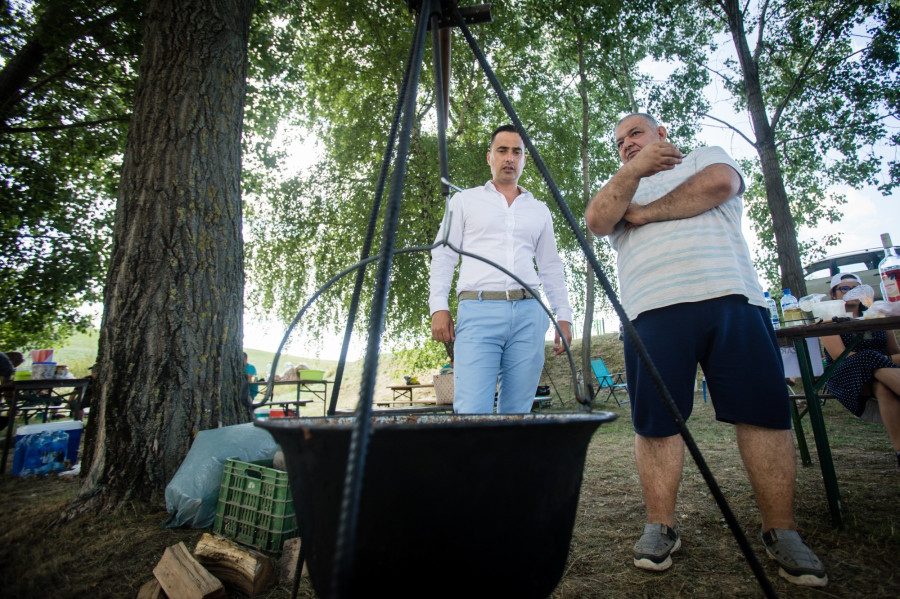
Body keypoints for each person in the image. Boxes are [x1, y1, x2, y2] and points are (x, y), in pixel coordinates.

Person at [584, 113, 827, 586]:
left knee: (762, 413)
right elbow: (597, 220)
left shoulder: (702, 157)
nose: (626, 144)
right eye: (619, 142)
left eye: (635, 133)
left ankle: (782, 530)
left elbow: (719, 184)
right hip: (651, 309)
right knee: (656, 422)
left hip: (732, 296)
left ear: (661, 134)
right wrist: (633, 174)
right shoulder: (621, 187)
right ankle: (660, 526)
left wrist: (646, 214)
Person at [429, 124, 573, 414]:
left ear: (524, 159)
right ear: (489, 157)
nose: (509, 158)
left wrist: (564, 315)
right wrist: (438, 307)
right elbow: (443, 255)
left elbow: (550, 266)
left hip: (529, 314)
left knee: (518, 412)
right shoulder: (464, 201)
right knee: (472, 411)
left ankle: (512, 447)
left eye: (516, 152)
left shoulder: (539, 210)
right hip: (478, 310)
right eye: (502, 150)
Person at [819, 273, 900, 464]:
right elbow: (841, 357)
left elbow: (895, 352)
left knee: (883, 388)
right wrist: (882, 359)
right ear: (833, 294)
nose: (851, 292)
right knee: (868, 357)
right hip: (846, 375)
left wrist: (884, 360)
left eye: (856, 288)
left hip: (883, 376)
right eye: (844, 288)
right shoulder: (828, 320)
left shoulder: (877, 315)